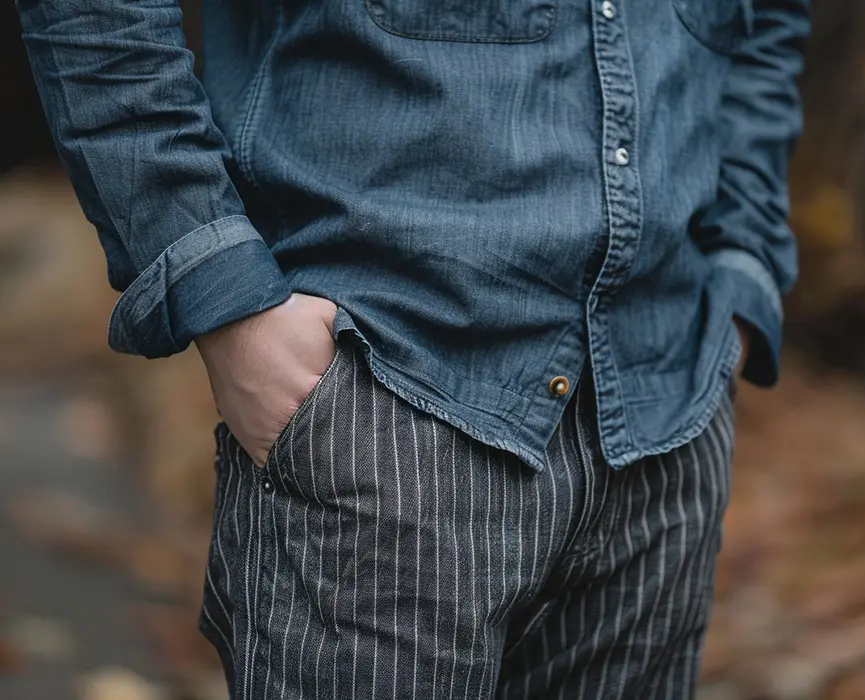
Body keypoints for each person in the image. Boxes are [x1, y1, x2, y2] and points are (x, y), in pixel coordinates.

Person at [17, 0, 809, 696]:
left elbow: (770, 24)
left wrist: (744, 263)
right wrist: (212, 277)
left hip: (667, 413)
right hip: (386, 400)